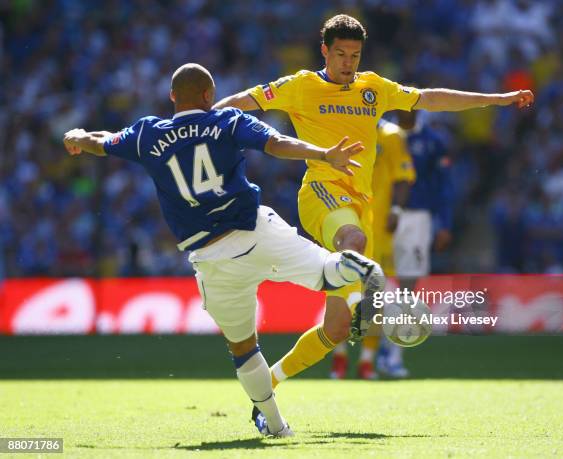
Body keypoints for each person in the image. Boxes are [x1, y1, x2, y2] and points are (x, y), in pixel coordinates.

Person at [62, 63, 385, 438]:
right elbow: (278, 143)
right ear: (208, 96)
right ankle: (361, 269)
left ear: (172, 97)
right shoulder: (226, 121)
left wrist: (78, 135)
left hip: (212, 258)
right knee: (327, 272)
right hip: (258, 232)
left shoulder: (148, 134)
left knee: (244, 348)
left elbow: (104, 142)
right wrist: (324, 153)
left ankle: (277, 427)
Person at [213, 14, 534, 389]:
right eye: (341, 54)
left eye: (355, 55)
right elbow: (246, 100)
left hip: (360, 205)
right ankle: (367, 300)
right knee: (356, 242)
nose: (348, 63)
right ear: (325, 52)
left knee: (333, 331)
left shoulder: (373, 88)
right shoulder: (300, 85)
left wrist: (497, 99)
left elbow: (429, 98)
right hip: (322, 192)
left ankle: (266, 385)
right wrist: (203, 116)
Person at [331, 118, 416, 380]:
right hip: (344, 222)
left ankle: (366, 361)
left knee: (373, 298)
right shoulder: (339, 127)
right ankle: (340, 357)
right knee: (340, 290)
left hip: (377, 229)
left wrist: (396, 209)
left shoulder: (390, 135)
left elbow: (404, 176)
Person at [376, 110, 454, 377]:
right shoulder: (381, 134)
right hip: (382, 216)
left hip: (418, 218)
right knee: (376, 285)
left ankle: (394, 353)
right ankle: (373, 350)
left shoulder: (433, 140)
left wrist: (444, 221)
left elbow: (444, 184)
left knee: (408, 288)